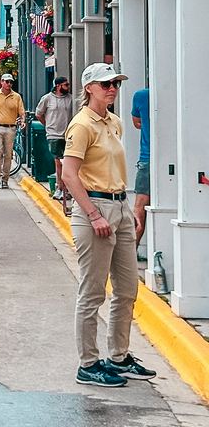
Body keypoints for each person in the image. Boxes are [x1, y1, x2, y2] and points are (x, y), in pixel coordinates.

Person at [61, 63, 156, 388]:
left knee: (128, 288)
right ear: (89, 88)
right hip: (95, 210)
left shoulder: (114, 122)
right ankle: (88, 363)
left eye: (114, 82)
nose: (112, 88)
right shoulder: (82, 125)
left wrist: (124, 209)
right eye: (105, 84)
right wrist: (93, 214)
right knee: (92, 292)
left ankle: (119, 355)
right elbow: (69, 175)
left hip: (119, 205)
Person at [36, 78, 74, 208]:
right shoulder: (47, 99)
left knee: (68, 162)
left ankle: (66, 188)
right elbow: (39, 114)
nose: (68, 86)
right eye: (66, 84)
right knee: (58, 162)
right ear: (58, 86)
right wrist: (48, 126)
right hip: (53, 134)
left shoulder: (70, 99)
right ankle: (60, 187)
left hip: (68, 134)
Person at [130, 87, 151, 247]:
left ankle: (132, 250)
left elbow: (136, 123)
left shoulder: (141, 95)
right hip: (178, 159)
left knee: (140, 207)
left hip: (147, 157)